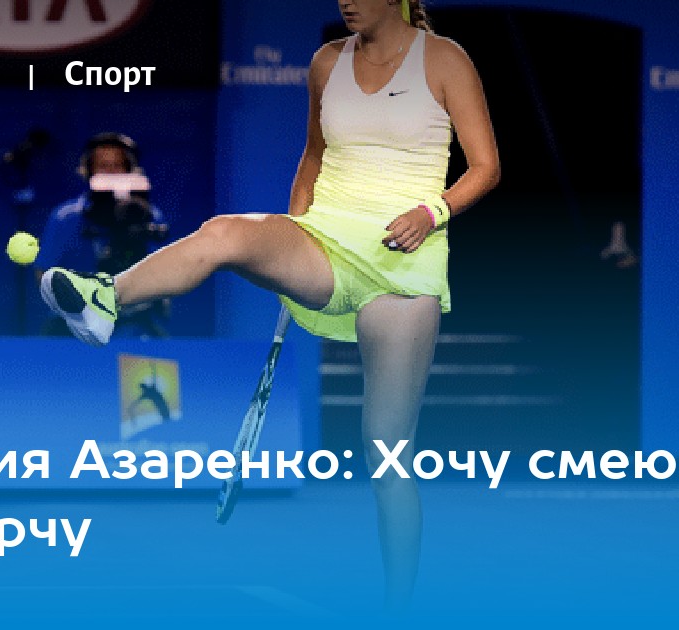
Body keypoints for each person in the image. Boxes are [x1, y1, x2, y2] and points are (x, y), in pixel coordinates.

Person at [40, 0, 500, 609]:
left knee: (387, 454)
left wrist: (431, 211)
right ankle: (106, 299)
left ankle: (398, 610)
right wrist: (294, 233)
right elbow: (314, 156)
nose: (345, 1)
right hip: (327, 242)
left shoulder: (444, 59)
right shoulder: (326, 61)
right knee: (226, 232)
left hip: (402, 265)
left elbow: (486, 166)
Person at [33, 132, 169, 338]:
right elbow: (44, 273)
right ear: (88, 170)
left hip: (135, 325)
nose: (110, 173)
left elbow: (164, 273)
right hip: (74, 327)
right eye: (103, 166)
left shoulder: (150, 216)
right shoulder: (65, 217)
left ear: (130, 170)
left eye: (117, 166)